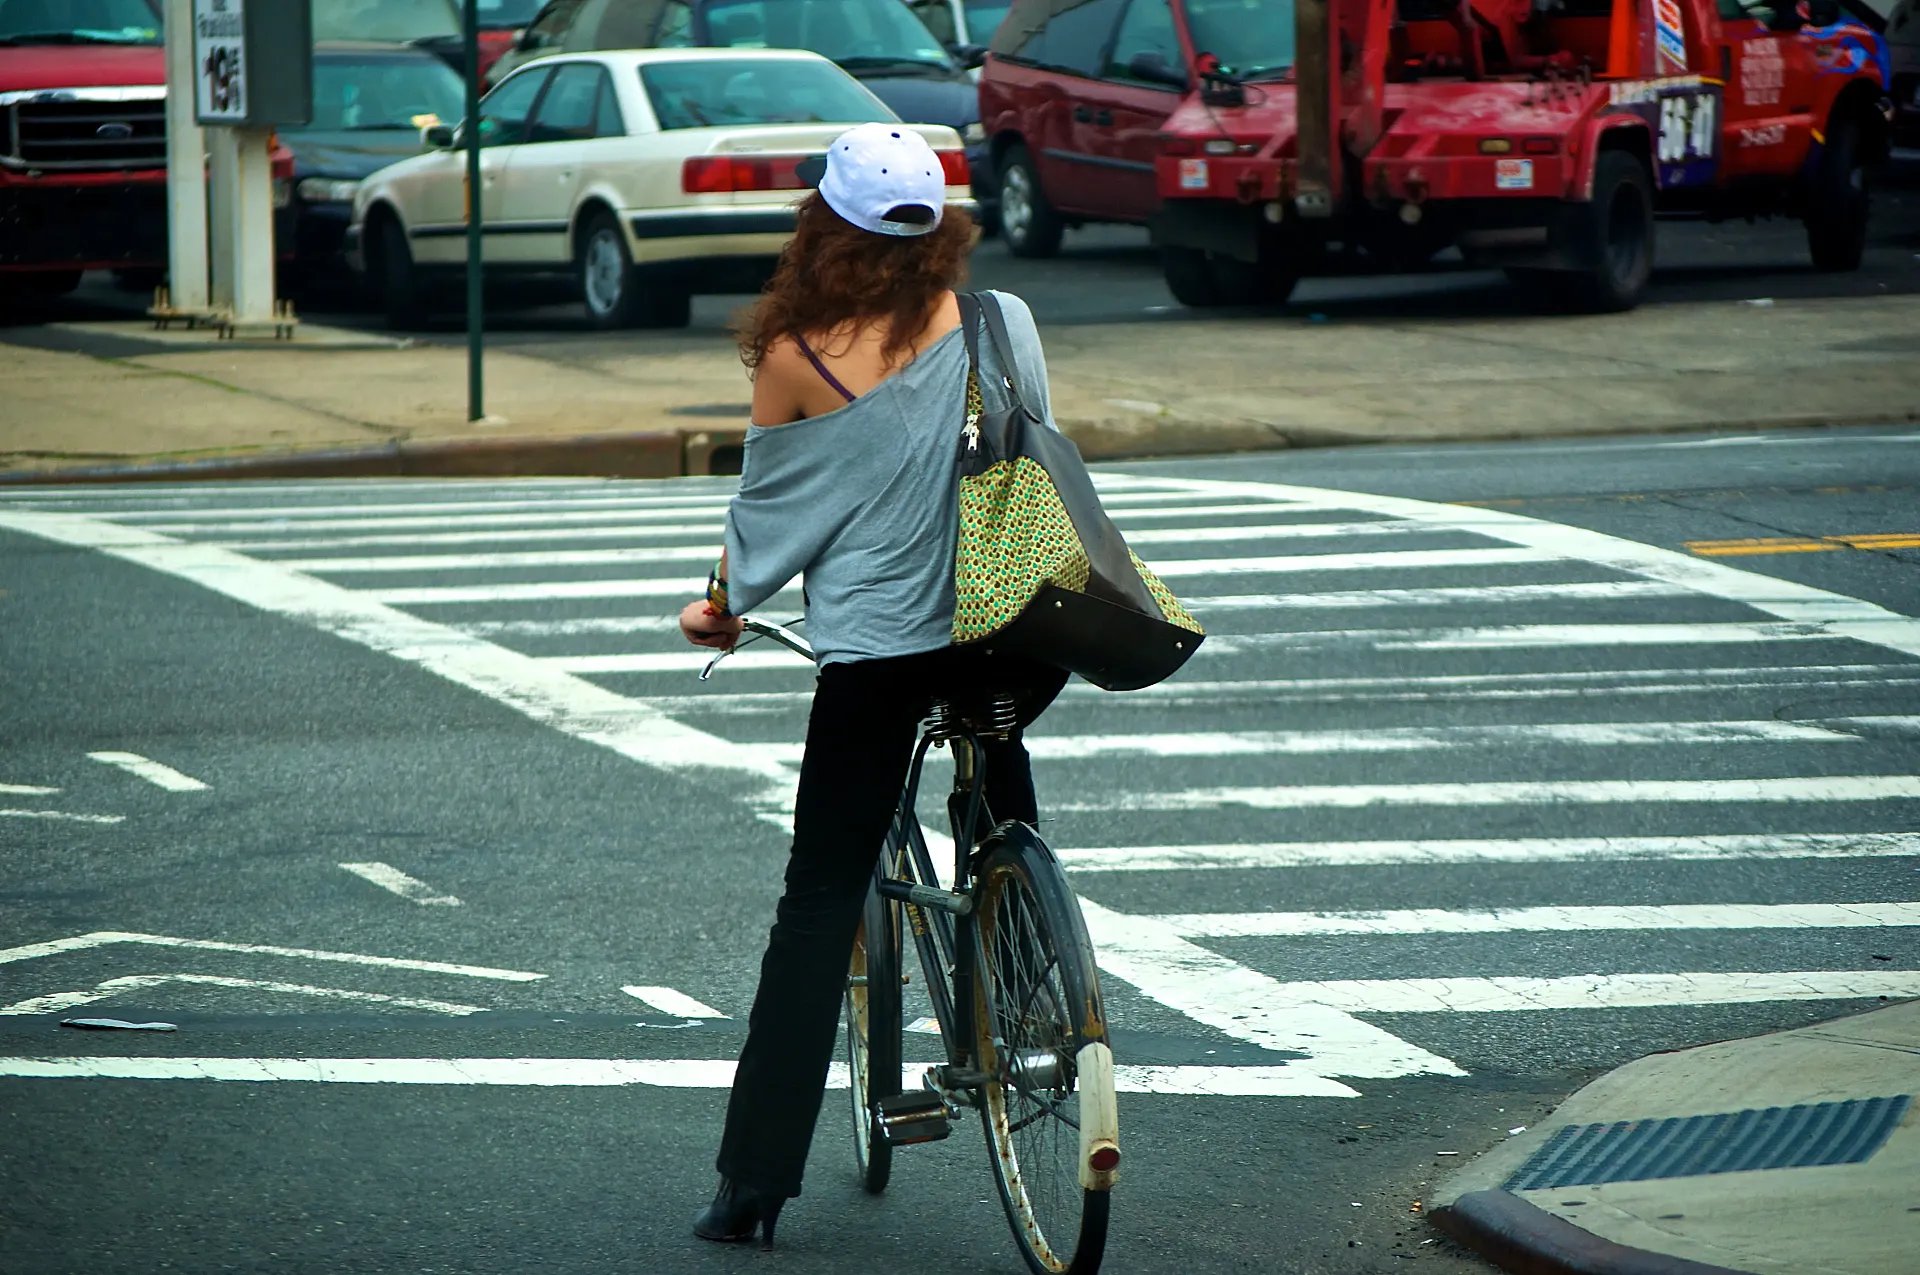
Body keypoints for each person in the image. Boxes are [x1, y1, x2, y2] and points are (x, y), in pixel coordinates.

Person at [677, 122, 1069, 1248]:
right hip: (1011, 633)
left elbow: (768, 525)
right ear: (941, 228)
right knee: (996, 767)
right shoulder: (1003, 322)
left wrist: (722, 607)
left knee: (817, 901)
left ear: (824, 224)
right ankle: (1028, 984)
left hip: (879, 660)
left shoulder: (799, 354)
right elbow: (1033, 457)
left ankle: (752, 1188)